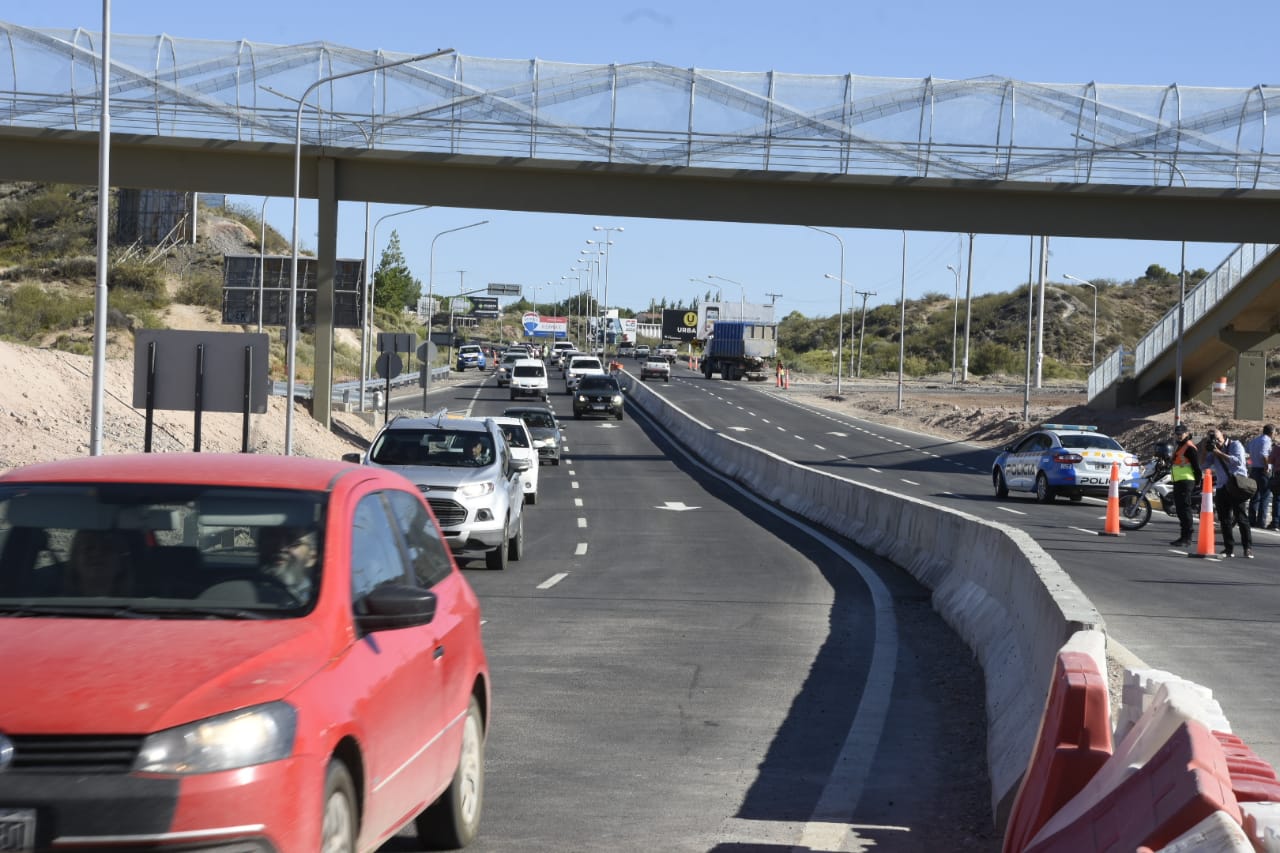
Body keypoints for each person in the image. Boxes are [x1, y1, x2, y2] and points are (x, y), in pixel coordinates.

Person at [1202, 428, 1253, 559]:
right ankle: (1228, 548)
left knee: (1241, 518)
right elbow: (1204, 466)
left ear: (1223, 436)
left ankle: (1247, 548)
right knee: (1224, 520)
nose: (1216, 442)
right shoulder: (1212, 449)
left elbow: (1238, 462)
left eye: (1218, 439)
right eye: (1213, 440)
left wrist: (1218, 452)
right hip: (1222, 487)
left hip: (1237, 486)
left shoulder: (1235, 445)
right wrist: (1205, 450)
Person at [258, 525, 318, 602]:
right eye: (273, 539)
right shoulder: (246, 592)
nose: (280, 548)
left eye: (293, 542)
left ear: (311, 558)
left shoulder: (316, 600)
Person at [66, 529, 133, 596]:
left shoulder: (140, 603)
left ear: (121, 562)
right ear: (75, 560)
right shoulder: (57, 602)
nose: (97, 553)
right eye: (88, 548)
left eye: (107, 548)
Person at [1168, 424, 1202, 547]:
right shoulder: (1180, 445)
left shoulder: (1189, 447)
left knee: (1184, 509)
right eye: (1177, 433)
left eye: (1181, 433)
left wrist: (1198, 482)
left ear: (1187, 433)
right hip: (1179, 481)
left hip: (1186, 482)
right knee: (1180, 510)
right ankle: (1184, 536)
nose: (1178, 435)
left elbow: (1196, 467)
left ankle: (1187, 537)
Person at [1245, 424, 1274, 526]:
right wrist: (1267, 467)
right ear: (1271, 432)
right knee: (1265, 496)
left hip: (1254, 470)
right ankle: (1261, 521)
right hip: (1263, 470)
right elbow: (1264, 454)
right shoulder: (1266, 441)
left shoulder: (1255, 440)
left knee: (1254, 496)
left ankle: (1251, 520)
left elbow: (1248, 450)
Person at [1269, 437, 1280, 531]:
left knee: (1277, 499)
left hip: (1278, 474)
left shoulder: (1277, 448)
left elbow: (1270, 460)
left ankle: (1275, 523)